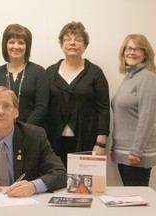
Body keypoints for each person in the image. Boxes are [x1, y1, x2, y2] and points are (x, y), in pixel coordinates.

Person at [46, 21, 110, 168]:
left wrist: (100, 143)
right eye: (68, 39)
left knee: (84, 187)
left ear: (85, 45)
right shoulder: (50, 73)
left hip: (86, 141)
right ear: (61, 45)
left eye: (78, 40)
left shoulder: (95, 73)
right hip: (54, 142)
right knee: (56, 183)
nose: (72, 43)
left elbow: (103, 109)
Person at [111, 34, 156, 186]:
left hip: (136, 152)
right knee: (129, 199)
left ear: (145, 54)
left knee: (137, 200)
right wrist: (114, 147)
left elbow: (147, 118)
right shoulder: (128, 78)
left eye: (138, 49)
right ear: (123, 52)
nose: (132, 52)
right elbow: (123, 118)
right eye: (129, 48)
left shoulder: (148, 77)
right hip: (123, 150)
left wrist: (136, 150)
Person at [0, 24, 48, 127]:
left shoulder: (39, 72)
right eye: (11, 42)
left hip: (31, 133)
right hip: (1, 132)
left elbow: (41, 107)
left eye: (21, 43)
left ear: (27, 46)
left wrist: (23, 130)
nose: (16, 46)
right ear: (5, 45)